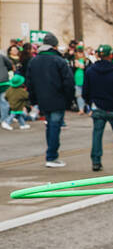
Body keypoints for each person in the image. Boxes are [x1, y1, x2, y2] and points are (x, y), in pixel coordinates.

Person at [25, 33, 75, 168]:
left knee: (50, 126)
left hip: (42, 99)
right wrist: (69, 100)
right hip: (57, 98)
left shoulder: (34, 61)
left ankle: (51, 154)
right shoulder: (59, 61)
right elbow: (68, 82)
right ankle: (52, 156)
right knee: (54, 126)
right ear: (54, 45)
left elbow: (29, 83)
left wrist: (34, 100)